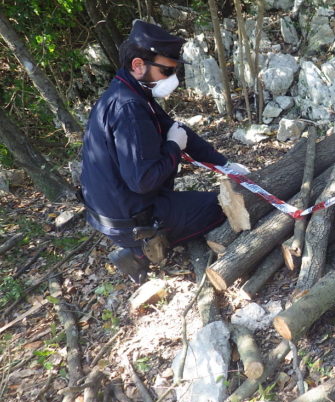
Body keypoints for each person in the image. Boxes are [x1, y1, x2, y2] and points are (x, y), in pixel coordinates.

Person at [80, 19, 246, 283]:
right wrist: (173, 148)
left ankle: (146, 241)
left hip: (114, 211)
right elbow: (143, 180)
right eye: (166, 71)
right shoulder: (130, 109)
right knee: (221, 205)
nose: (172, 79)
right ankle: (142, 251)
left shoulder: (128, 92)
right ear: (138, 65)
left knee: (215, 197)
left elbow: (177, 131)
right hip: (132, 219)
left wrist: (224, 164)